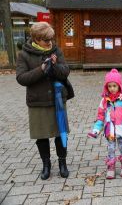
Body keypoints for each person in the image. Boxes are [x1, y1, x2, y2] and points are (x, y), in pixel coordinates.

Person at [16, 22, 74, 180]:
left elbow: (65, 71)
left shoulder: (56, 50)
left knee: (60, 133)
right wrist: (41, 69)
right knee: (41, 135)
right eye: (46, 40)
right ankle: (46, 165)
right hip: (38, 102)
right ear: (36, 38)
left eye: (51, 39)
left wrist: (53, 66)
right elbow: (21, 78)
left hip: (57, 100)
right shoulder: (24, 55)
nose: (50, 43)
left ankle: (63, 163)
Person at [88, 69, 122, 179]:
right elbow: (100, 117)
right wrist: (96, 130)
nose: (112, 88)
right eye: (109, 86)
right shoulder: (104, 101)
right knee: (110, 148)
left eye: (114, 86)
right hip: (109, 130)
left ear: (119, 86)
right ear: (106, 87)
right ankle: (111, 167)